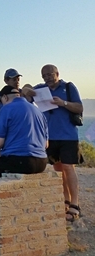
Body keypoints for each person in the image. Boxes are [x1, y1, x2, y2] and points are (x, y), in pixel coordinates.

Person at [36, 64, 83, 221]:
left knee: (69, 168)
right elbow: (27, 91)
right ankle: (65, 200)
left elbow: (79, 107)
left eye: (50, 74)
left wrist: (63, 103)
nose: (47, 77)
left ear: (57, 73)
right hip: (50, 137)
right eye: (44, 75)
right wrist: (28, 89)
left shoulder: (68, 87)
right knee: (57, 169)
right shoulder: (41, 88)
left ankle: (75, 204)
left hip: (68, 135)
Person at [0, 85, 48, 174]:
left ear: (5, 97)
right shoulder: (38, 111)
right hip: (41, 163)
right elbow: (46, 144)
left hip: (20, 162)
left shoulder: (6, 109)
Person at [0, 68, 22, 134]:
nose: (17, 82)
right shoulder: (0, 95)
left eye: (18, 79)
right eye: (14, 79)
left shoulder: (23, 93)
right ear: (6, 81)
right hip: (4, 129)